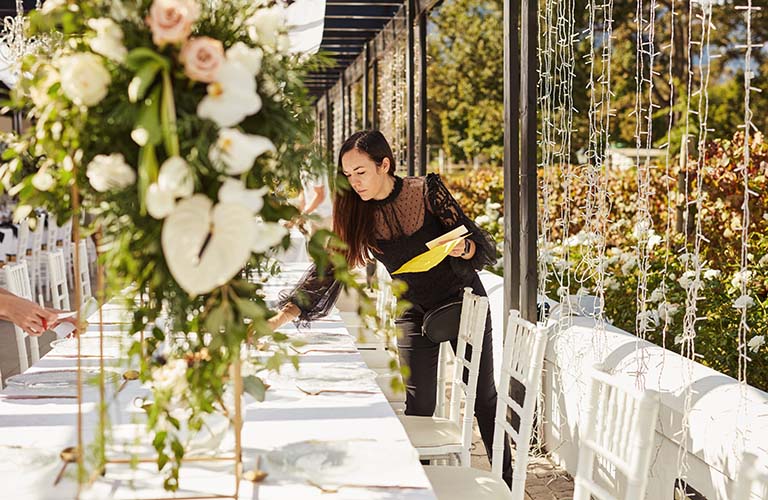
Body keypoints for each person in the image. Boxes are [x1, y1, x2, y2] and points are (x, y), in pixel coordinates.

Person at [269, 130, 512, 486]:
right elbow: (329, 270)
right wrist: (281, 317)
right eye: (348, 175)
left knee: (483, 397)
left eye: (361, 172)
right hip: (413, 310)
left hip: (463, 303)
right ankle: (424, 487)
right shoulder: (355, 212)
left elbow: (474, 244)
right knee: (418, 407)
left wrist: (465, 250)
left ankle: (506, 482)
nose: (354, 183)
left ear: (385, 165)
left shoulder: (426, 191)